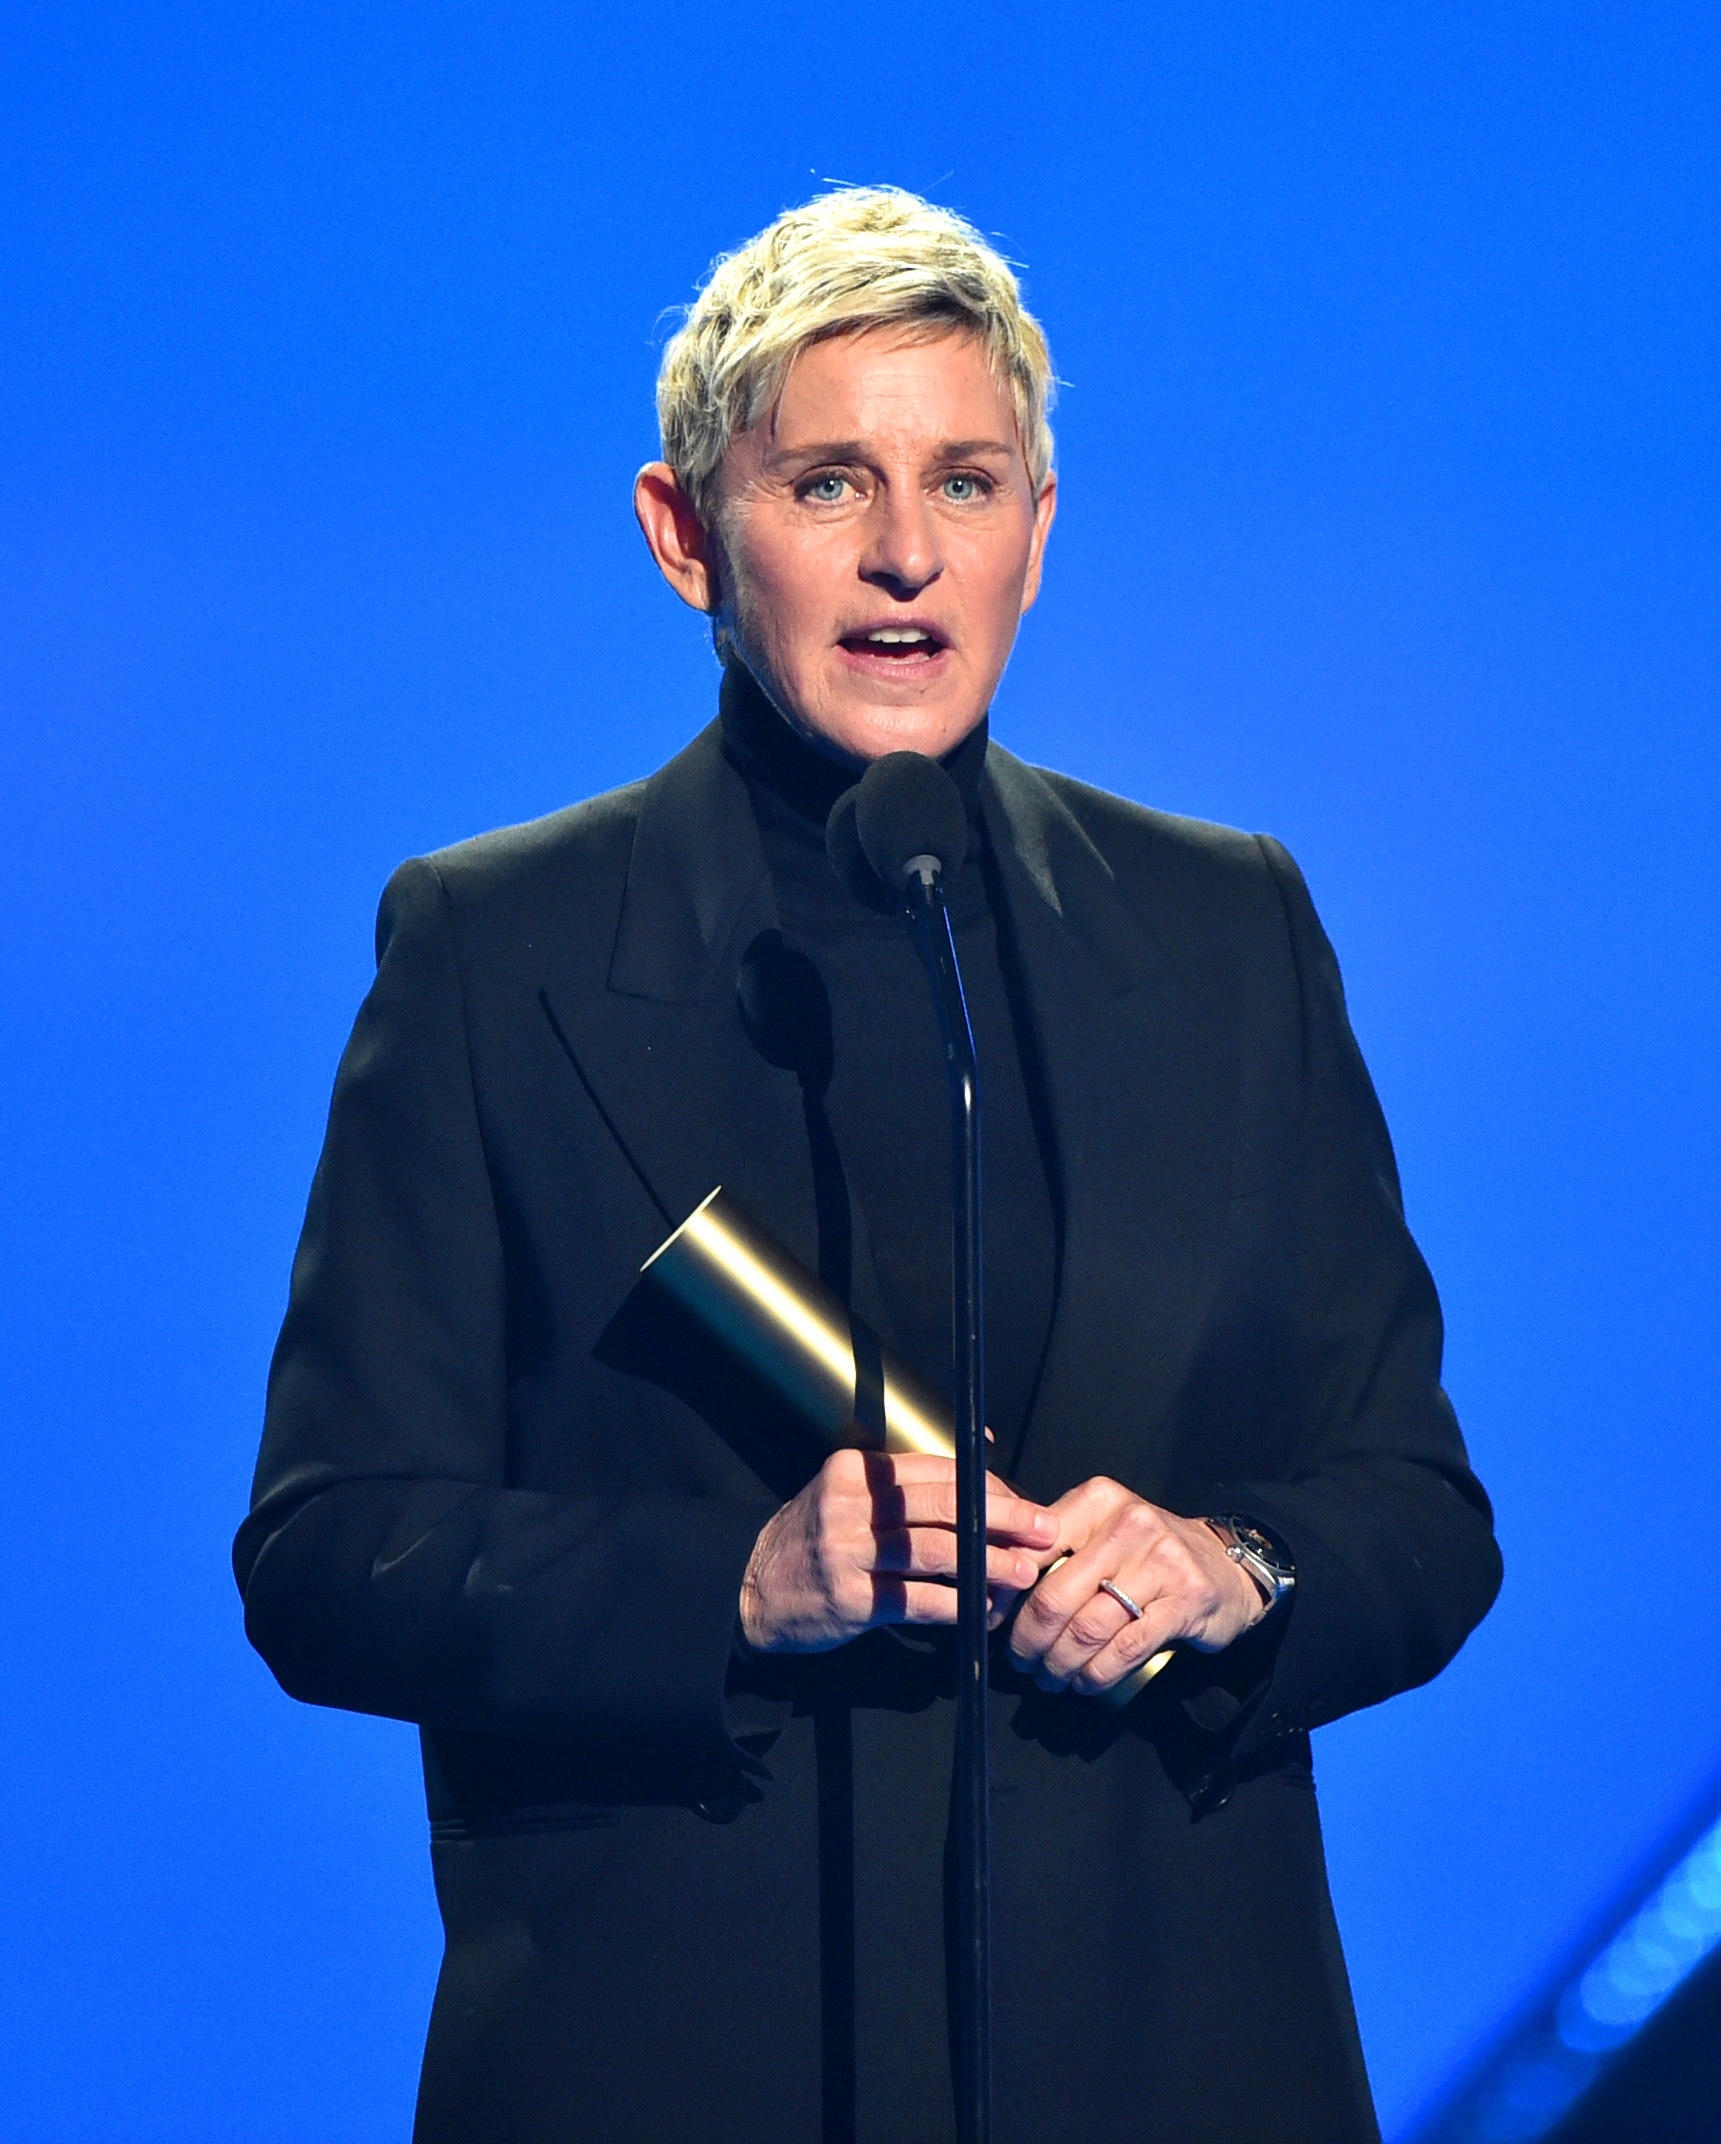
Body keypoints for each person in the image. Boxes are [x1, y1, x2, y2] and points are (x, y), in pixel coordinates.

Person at [236, 187, 1502, 2144]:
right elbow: (329, 1555)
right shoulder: (498, 949)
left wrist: (1234, 1564)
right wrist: (735, 1581)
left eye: (969, 482)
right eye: (830, 483)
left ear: (1042, 531)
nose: (909, 556)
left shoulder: (1227, 925)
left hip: (1171, 2056)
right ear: (684, 536)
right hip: (684, 2062)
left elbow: (1417, 1508)